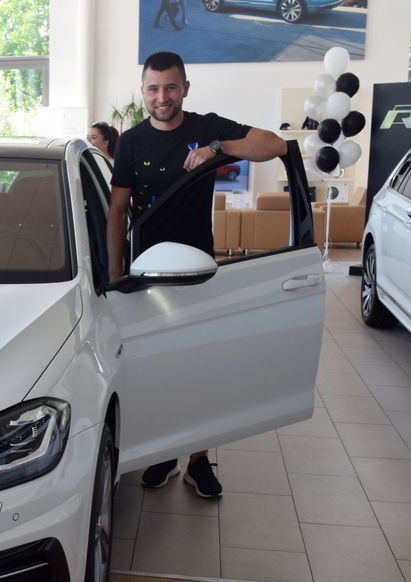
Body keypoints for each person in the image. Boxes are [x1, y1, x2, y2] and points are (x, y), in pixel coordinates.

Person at [106, 50, 286, 499]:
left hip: (199, 271)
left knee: (201, 367)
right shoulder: (131, 142)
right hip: (147, 275)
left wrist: (218, 149)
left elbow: (274, 145)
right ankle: (163, 453)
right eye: (153, 88)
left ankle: (199, 460)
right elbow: (117, 210)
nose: (162, 97)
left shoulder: (208, 128)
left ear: (185, 88)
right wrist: (115, 274)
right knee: (156, 368)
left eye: (170, 87)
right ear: (143, 91)